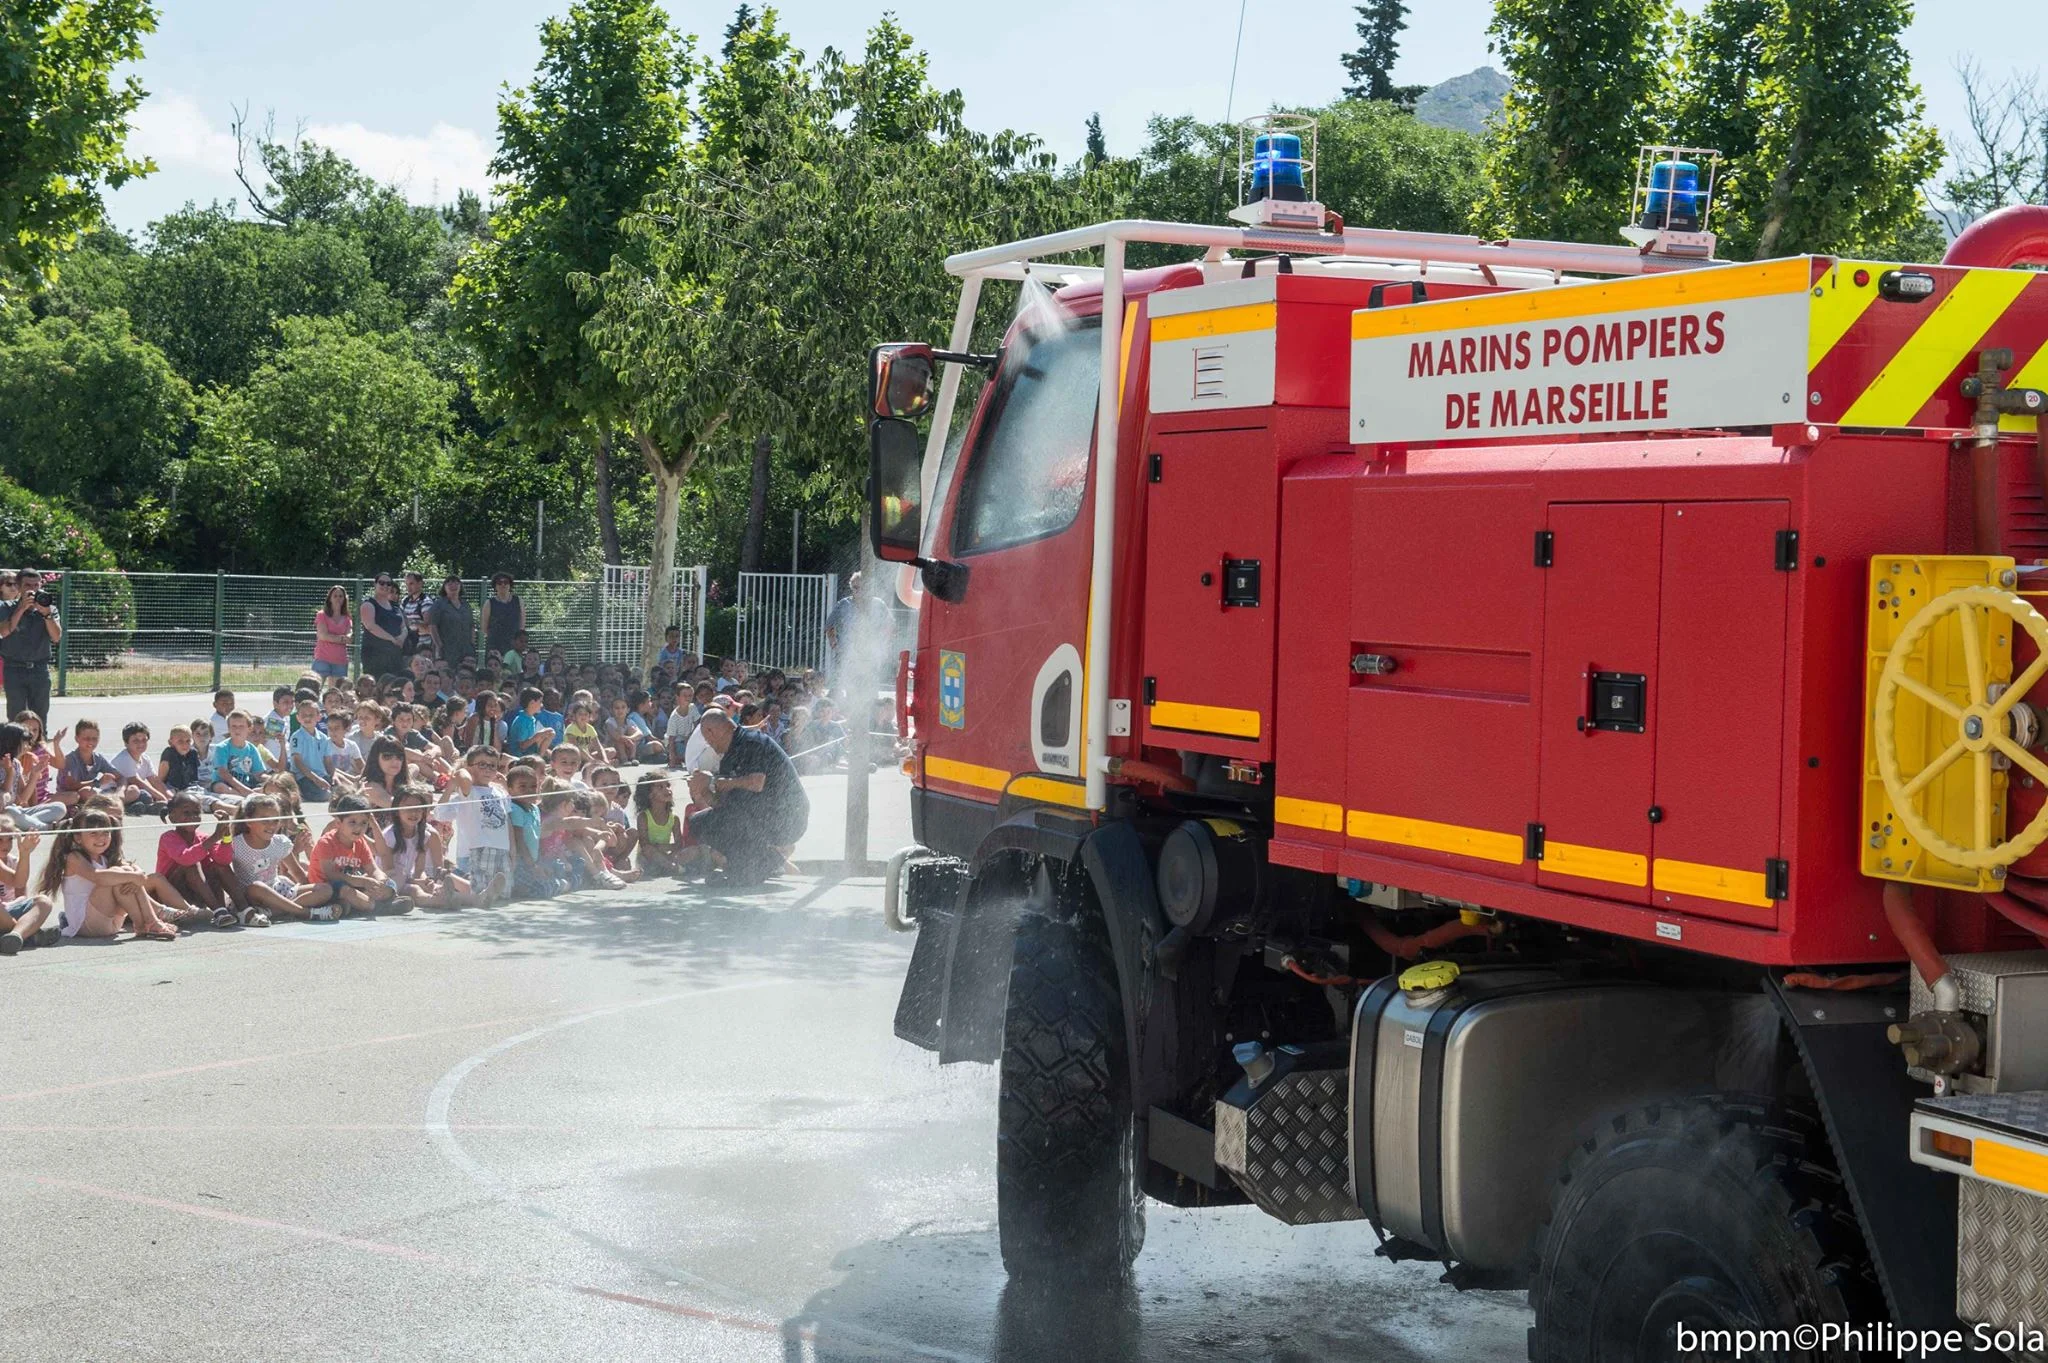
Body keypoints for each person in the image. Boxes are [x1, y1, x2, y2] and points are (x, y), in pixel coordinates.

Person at [683, 710, 809, 884]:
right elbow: (722, 804)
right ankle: (759, 863)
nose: (707, 743)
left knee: (732, 820)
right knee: (700, 822)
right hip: (760, 815)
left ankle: (749, 870)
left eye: (706, 736)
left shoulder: (752, 742)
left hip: (787, 816)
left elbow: (757, 783)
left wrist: (715, 780)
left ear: (713, 731)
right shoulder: (728, 757)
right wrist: (703, 789)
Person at [41, 807, 194, 940]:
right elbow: (97, 877)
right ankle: (151, 921)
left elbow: (134, 869)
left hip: (111, 923)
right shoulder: (74, 858)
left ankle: (145, 923)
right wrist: (133, 877)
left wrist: (136, 876)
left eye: (105, 833)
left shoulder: (104, 858)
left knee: (124, 873)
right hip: (87, 925)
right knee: (117, 875)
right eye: (93, 833)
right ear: (78, 838)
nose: (101, 838)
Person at [304, 794, 403, 919]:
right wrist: (363, 881)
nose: (358, 827)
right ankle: (378, 907)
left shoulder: (360, 842)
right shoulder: (327, 842)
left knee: (389, 884)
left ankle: (354, 906)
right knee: (347, 891)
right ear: (338, 823)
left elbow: (373, 869)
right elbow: (331, 875)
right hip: (326, 887)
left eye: (364, 823)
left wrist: (380, 880)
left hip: (353, 884)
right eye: (352, 822)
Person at [0, 568, 61, 726]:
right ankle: (15, 749)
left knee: (40, 719)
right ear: (19, 587)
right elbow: (4, 632)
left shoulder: (49, 608)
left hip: (39, 670)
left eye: (36, 585)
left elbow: (56, 637)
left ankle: (39, 750)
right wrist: (21, 608)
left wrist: (46, 614)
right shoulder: (6, 607)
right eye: (28, 585)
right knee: (16, 718)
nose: (33, 589)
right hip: (14, 669)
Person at [0, 814, 58, 952]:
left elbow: (20, 890)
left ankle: (16, 935)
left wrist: (24, 855)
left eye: (10, 839)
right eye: (0, 839)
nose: (5, 845)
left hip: (8, 912)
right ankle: (31, 936)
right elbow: (17, 880)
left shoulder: (13, 861)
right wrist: (25, 854)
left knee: (44, 902)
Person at [360, 574, 407, 678]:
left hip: (395, 655)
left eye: (389, 584)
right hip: (374, 656)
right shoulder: (368, 604)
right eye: (381, 583)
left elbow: (403, 627)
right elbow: (370, 626)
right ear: (375, 584)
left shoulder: (395, 607)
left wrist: (401, 638)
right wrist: (391, 639)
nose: (385, 586)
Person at [428, 576, 476, 667]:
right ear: (444, 587)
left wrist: (472, 645)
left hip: (466, 649)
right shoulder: (438, 604)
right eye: (449, 583)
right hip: (447, 650)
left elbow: (472, 626)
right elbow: (432, 627)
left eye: (456, 583)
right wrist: (439, 646)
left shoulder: (466, 605)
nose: (453, 586)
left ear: (460, 586)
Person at [482, 573, 525, 665]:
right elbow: (484, 628)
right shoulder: (489, 603)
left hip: (514, 645)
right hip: (495, 645)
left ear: (510, 585)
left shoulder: (518, 601)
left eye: (506, 582)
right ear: (495, 586)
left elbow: (522, 625)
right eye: (499, 583)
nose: (503, 585)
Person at [313, 585, 354, 680]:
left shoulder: (347, 618)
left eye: (341, 596)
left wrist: (341, 638)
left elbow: (349, 636)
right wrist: (341, 639)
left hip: (340, 661)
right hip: (322, 658)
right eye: (335, 596)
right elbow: (323, 635)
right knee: (315, 688)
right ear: (330, 599)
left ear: (344, 599)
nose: (338, 598)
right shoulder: (321, 615)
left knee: (337, 692)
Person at [399, 571, 433, 659]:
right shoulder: (405, 601)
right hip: (407, 648)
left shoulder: (426, 603)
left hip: (422, 650)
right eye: (406, 584)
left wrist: (412, 624)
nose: (408, 587)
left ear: (420, 583)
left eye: (411, 584)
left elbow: (429, 628)